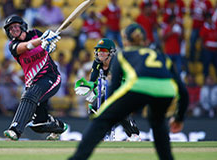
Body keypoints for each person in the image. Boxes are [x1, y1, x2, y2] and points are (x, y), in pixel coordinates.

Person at [68, 23, 189, 160]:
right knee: (158, 122)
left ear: (125, 41)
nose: (100, 53)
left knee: (101, 117)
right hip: (165, 92)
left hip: (138, 87)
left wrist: (106, 109)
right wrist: (179, 117)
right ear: (145, 41)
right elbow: (183, 92)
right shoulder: (161, 56)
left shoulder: (122, 55)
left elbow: (114, 89)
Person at [2, 15, 68, 141]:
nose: (13, 29)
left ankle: (14, 130)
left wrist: (49, 46)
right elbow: (27, 46)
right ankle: (58, 127)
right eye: (10, 28)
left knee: (29, 95)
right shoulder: (13, 45)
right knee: (38, 124)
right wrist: (42, 40)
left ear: (22, 26)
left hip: (51, 77)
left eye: (16, 26)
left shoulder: (36, 33)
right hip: (33, 82)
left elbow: (47, 47)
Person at [74, 38, 140, 141]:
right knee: (93, 109)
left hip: (127, 86)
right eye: (99, 50)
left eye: (103, 51)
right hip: (110, 88)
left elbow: (115, 80)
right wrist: (91, 87)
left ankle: (134, 135)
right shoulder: (97, 63)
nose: (100, 53)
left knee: (119, 109)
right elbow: (93, 79)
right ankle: (100, 135)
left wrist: (102, 88)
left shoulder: (117, 62)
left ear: (111, 52)